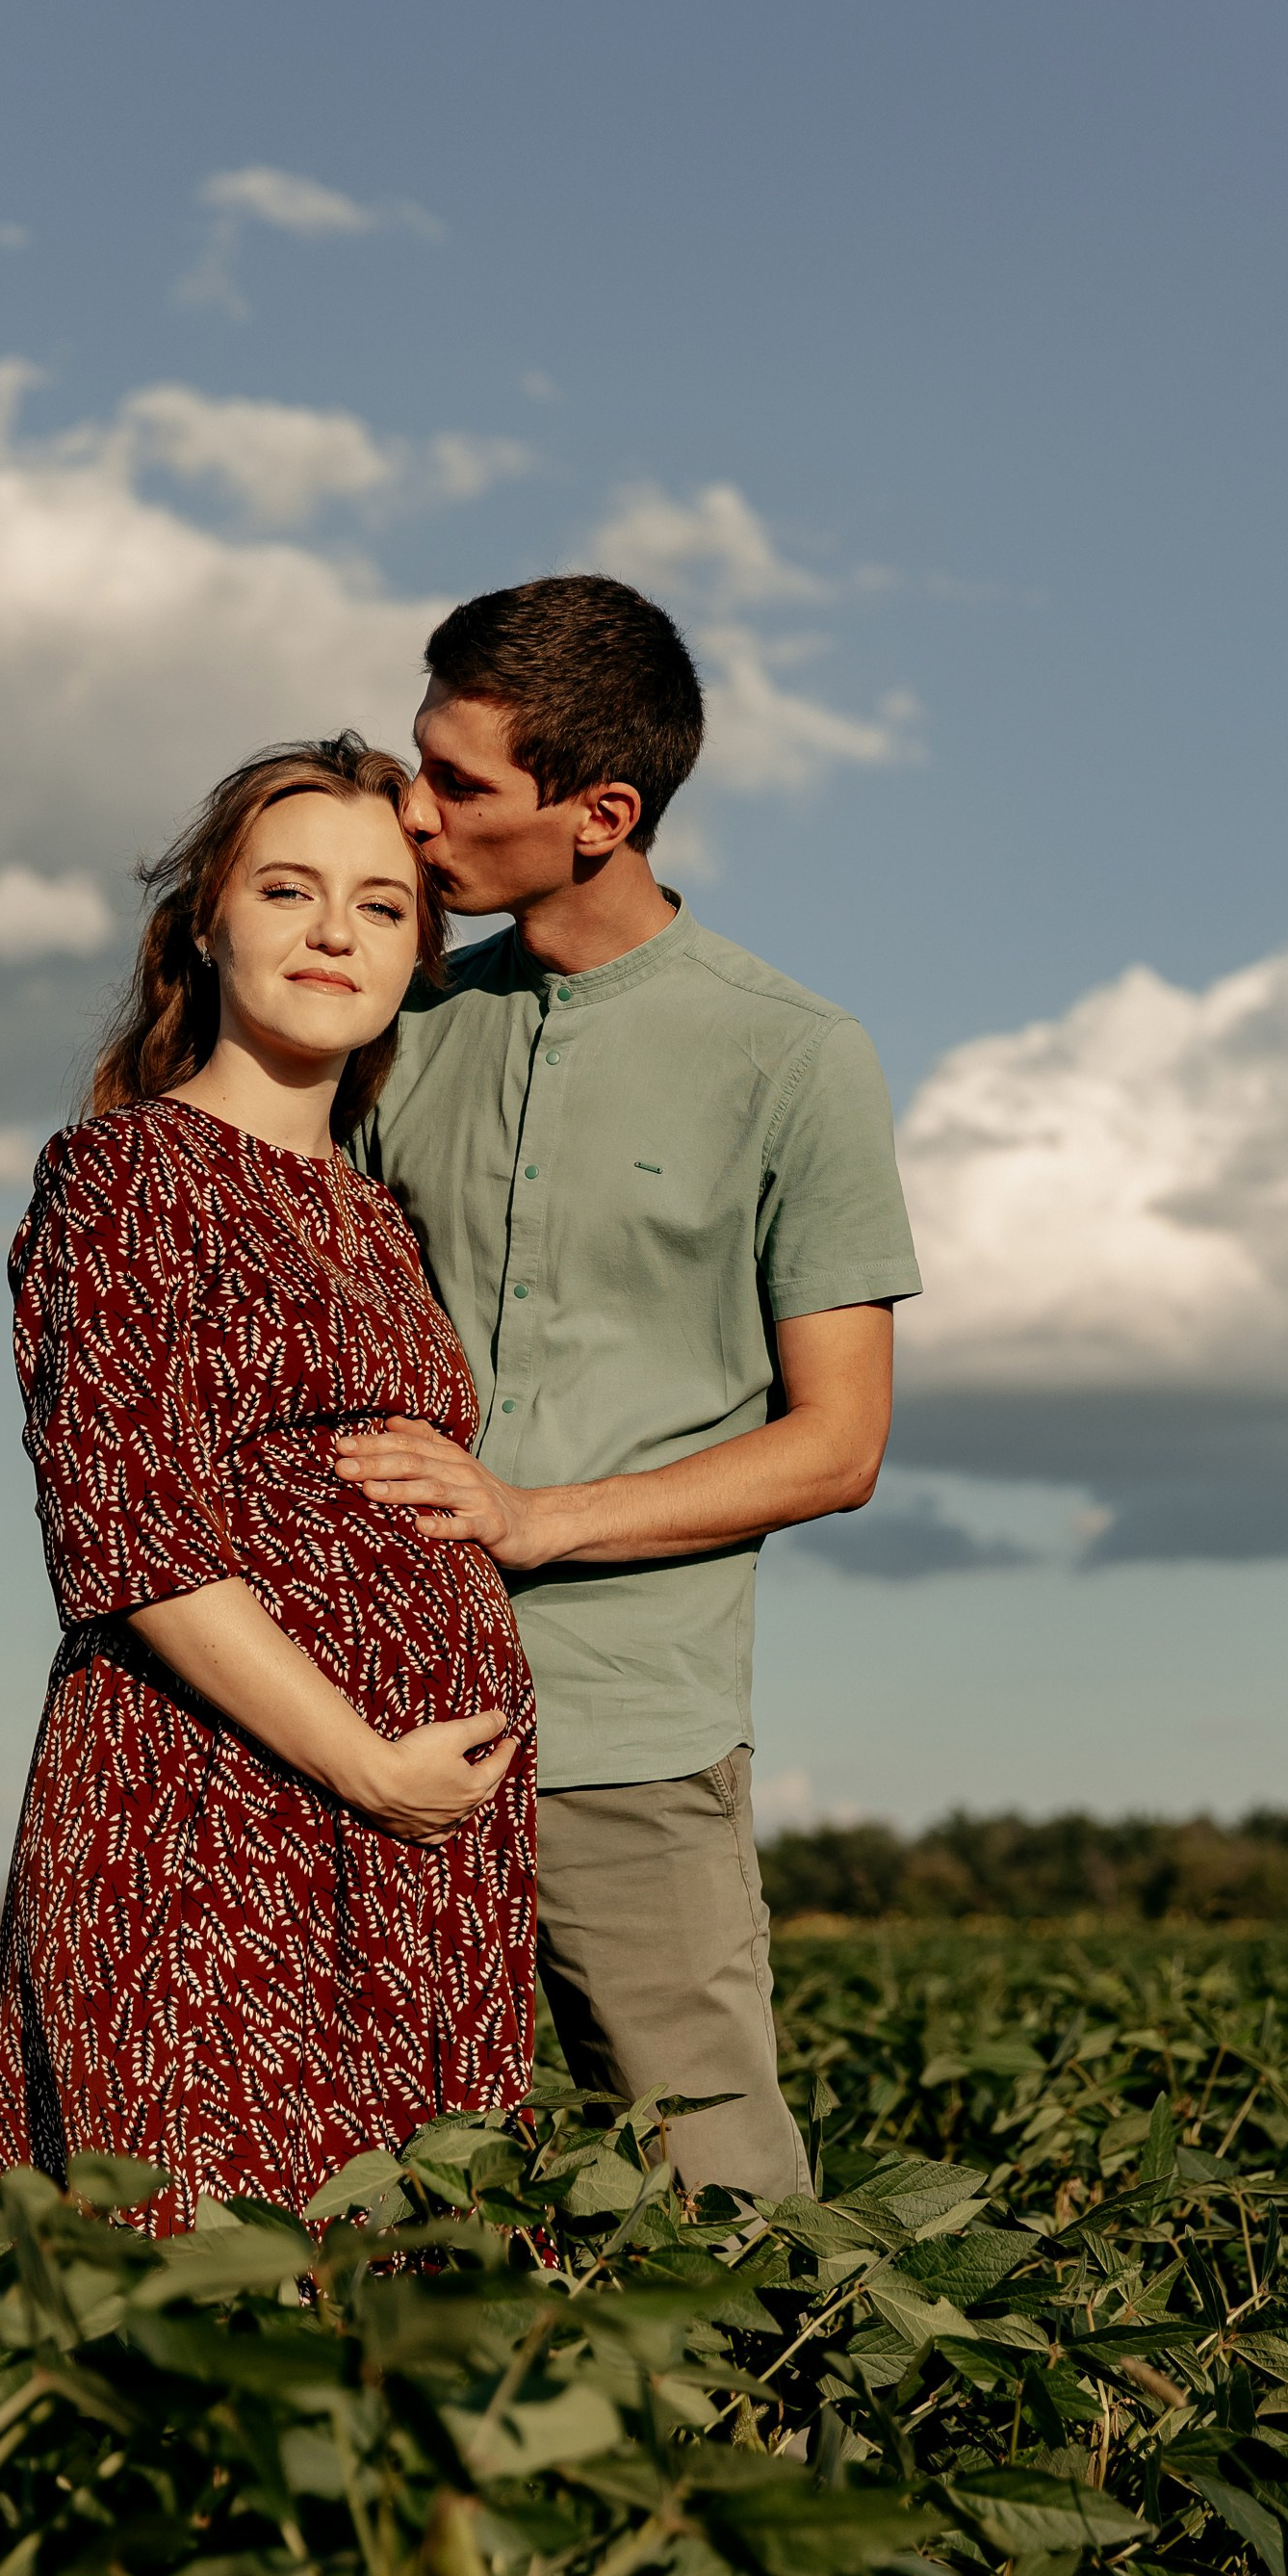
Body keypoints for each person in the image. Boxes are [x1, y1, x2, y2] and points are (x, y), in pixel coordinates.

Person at [341, 577, 920, 2204]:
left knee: (719, 2202)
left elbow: (838, 1445)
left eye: (457, 784)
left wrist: (533, 1519)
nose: (413, 813)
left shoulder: (795, 1058)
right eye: (416, 763)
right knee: (394, 2207)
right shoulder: (402, 1031)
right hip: (375, 1719)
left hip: (634, 1738)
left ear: (600, 815)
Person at [0, 738, 534, 2236]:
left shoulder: (378, 1212)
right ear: (202, 927)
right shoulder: (126, 1177)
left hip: (417, 1847)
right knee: (205, 2265)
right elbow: (128, 1533)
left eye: (381, 904)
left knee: (405, 2291)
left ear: (421, 954)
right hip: (211, 1810)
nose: (333, 932)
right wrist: (364, 1762)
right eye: (286, 890)